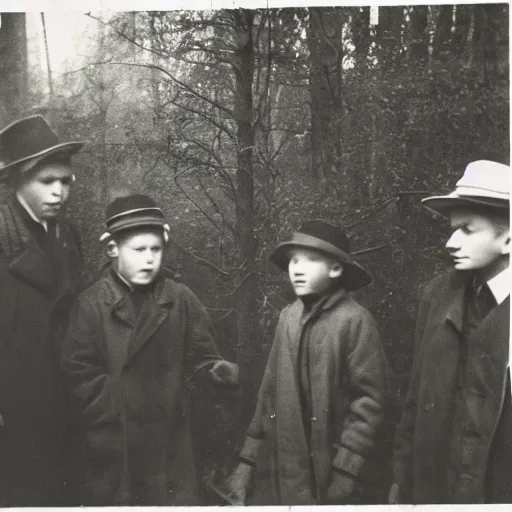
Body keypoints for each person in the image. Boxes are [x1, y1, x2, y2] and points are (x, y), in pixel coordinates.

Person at [62, 194, 239, 506]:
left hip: (170, 445)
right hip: (116, 447)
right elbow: (79, 373)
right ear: (113, 250)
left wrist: (213, 371)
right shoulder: (91, 305)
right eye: (139, 250)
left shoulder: (180, 299)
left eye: (156, 249)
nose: (149, 259)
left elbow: (201, 355)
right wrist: (117, 403)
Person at [226, 220, 388, 505]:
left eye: (311, 260)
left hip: (331, 471)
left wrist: (346, 470)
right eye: (293, 260)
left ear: (336, 269)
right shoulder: (287, 318)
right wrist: (246, 464)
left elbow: (370, 401)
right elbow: (268, 395)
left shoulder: (355, 321)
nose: (297, 269)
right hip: (283, 470)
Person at [390, 160, 510, 504]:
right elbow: (415, 396)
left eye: (467, 230)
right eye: (452, 228)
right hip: (434, 488)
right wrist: (401, 478)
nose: (450, 242)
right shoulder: (437, 296)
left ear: (508, 239)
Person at [0, 115, 84, 506]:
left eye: (65, 181)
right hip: (13, 410)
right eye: (46, 181)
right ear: (18, 179)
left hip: (65, 404)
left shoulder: (68, 236)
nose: (59, 193)